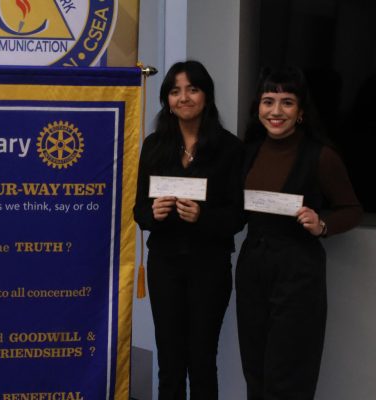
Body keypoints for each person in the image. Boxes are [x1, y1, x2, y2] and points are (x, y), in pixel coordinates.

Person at [236, 66, 363, 400]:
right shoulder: (247, 152)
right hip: (252, 265)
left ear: (302, 111)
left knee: (290, 371)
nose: (276, 111)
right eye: (268, 101)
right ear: (257, 108)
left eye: (287, 102)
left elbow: (351, 209)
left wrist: (322, 224)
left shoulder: (321, 156)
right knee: (255, 367)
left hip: (298, 270)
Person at [133, 60, 244, 399]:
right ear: (167, 100)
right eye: (175, 91)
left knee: (201, 359)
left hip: (209, 265)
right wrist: (153, 213)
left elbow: (239, 216)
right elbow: (139, 210)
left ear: (206, 96)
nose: (183, 97)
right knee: (169, 359)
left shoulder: (229, 148)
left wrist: (203, 217)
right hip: (165, 263)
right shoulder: (154, 146)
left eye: (192, 89)